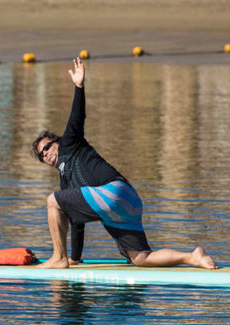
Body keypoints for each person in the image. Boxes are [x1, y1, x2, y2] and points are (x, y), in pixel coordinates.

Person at [31, 57, 215, 270]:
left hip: (112, 191)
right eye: (40, 156)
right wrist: (75, 259)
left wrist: (79, 86)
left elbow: (77, 117)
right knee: (140, 258)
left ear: (57, 141)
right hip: (130, 200)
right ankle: (193, 257)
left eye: (46, 147)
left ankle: (57, 257)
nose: (45, 154)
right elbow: (77, 224)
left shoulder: (70, 143)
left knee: (52, 200)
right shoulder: (67, 185)